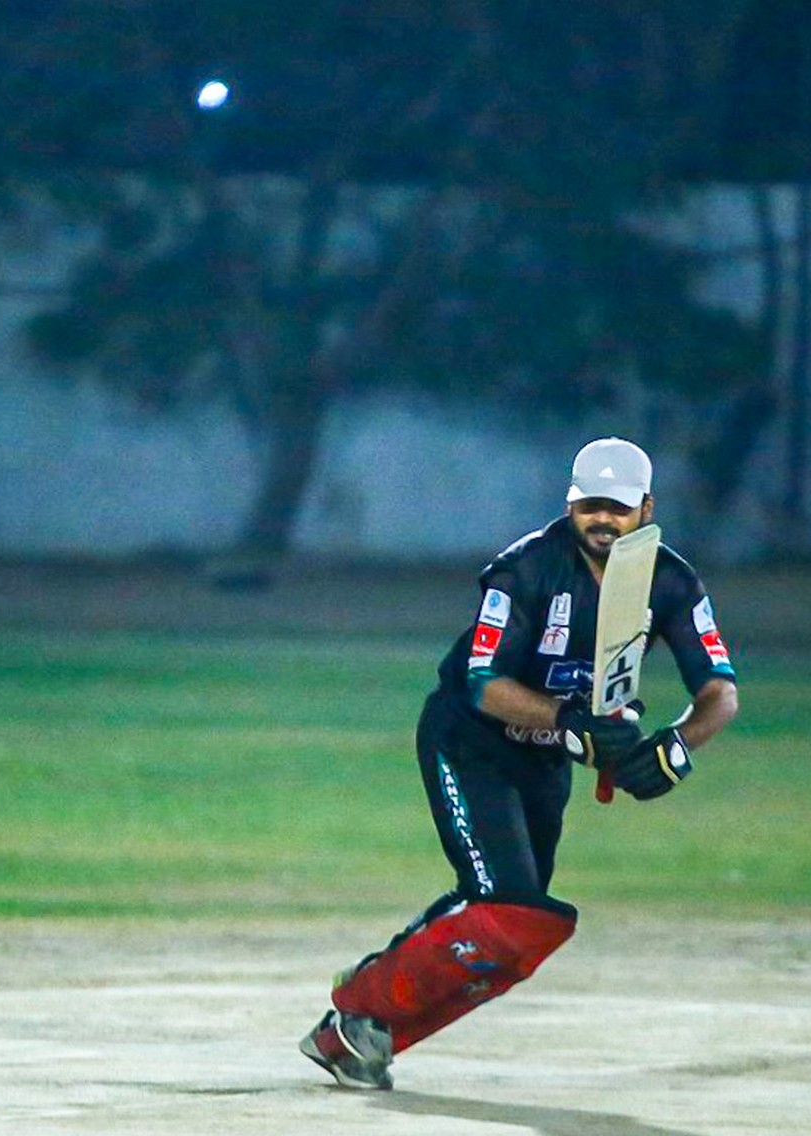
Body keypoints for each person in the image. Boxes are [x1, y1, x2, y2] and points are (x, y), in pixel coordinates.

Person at [299, 437, 738, 1090]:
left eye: (618, 507)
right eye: (590, 504)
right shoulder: (525, 570)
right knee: (503, 905)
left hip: (544, 761)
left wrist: (676, 746)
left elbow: (720, 692)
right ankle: (363, 998)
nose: (603, 519)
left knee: (520, 926)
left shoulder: (671, 581)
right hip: (470, 742)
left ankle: (358, 1036)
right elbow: (484, 684)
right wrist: (570, 723)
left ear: (646, 509)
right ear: (571, 503)